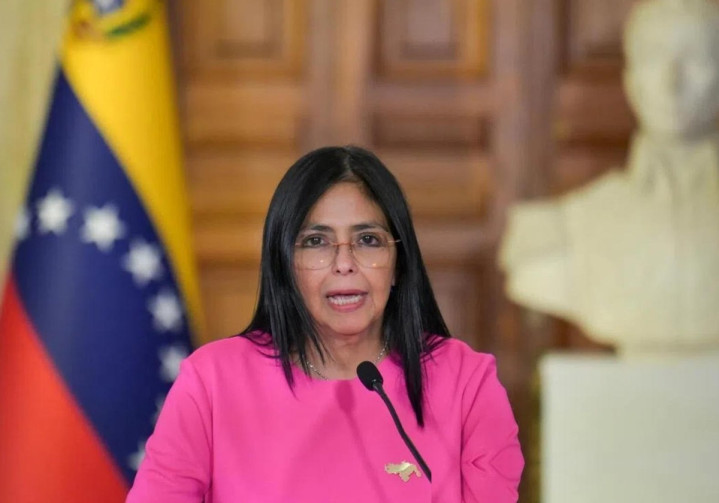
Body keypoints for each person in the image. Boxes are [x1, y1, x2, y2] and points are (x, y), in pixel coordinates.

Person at [127, 146, 524, 502]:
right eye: (316, 242)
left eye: (368, 240)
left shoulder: (467, 384)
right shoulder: (212, 382)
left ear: (399, 263)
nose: (344, 263)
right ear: (285, 264)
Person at [499, 0, 719, 355]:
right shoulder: (564, 229)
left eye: (696, 60)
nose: (671, 82)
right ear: (631, 77)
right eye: (654, 58)